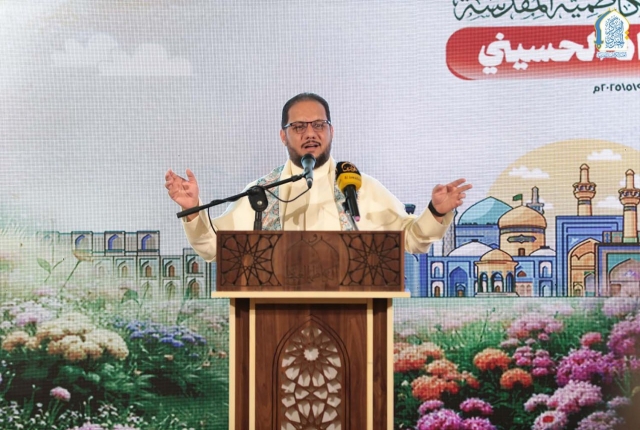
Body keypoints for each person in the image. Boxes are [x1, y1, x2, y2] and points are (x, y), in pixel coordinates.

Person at [165, 93, 471, 262]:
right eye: (299, 127)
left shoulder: (358, 186)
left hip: (350, 321)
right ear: (283, 136)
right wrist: (193, 209)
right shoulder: (263, 192)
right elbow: (213, 246)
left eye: (318, 125)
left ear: (331, 131)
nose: (310, 133)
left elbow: (412, 238)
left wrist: (435, 212)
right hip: (275, 321)